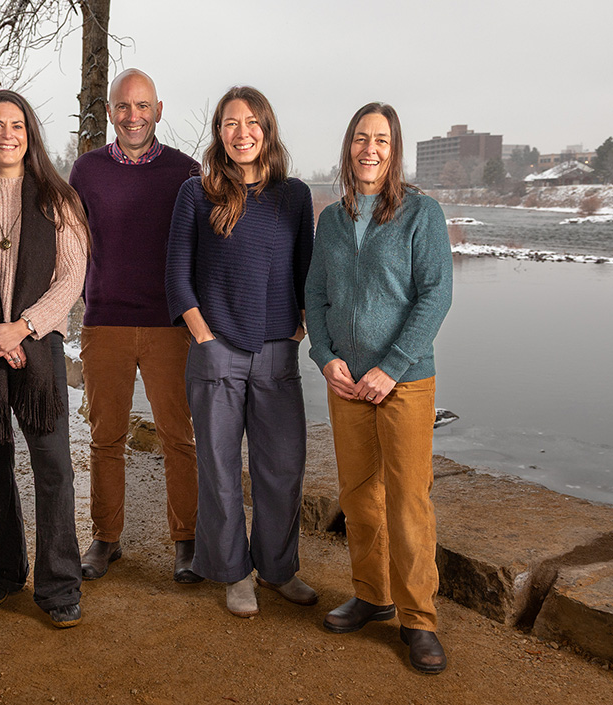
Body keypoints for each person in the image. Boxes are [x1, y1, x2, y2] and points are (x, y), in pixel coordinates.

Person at [305, 102, 453, 674]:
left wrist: (391, 366)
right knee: (358, 494)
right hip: (346, 384)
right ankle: (373, 594)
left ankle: (419, 619)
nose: (371, 149)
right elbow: (315, 296)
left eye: (382, 141)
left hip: (404, 382)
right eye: (362, 138)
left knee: (409, 499)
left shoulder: (422, 215)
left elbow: (435, 297)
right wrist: (325, 358)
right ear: (349, 147)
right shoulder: (332, 220)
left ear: (394, 152)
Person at [165, 86, 316, 618]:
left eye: (252, 122)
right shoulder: (196, 192)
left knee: (282, 467)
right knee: (221, 469)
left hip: (277, 350)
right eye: (231, 123)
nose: (242, 132)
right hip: (216, 351)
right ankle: (234, 573)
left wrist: (300, 330)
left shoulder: (294, 196)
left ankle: (277, 569)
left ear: (267, 129)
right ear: (220, 133)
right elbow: (177, 279)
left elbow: (308, 274)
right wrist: (204, 337)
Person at [0, 90, 89, 628]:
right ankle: (4, 571)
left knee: (53, 464)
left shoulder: (58, 198)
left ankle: (59, 586)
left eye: (17, 125)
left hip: (39, 347)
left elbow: (71, 279)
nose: (7, 134)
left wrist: (23, 327)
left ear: (29, 134)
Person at [68, 68, 202, 583]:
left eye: (142, 106)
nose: (132, 116)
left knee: (178, 436)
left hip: (171, 324)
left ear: (158, 111)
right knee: (106, 436)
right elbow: (73, 245)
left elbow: (202, 249)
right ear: (109, 113)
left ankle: (186, 541)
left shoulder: (186, 172)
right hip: (106, 324)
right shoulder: (86, 171)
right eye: (123, 106)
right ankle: (105, 539)